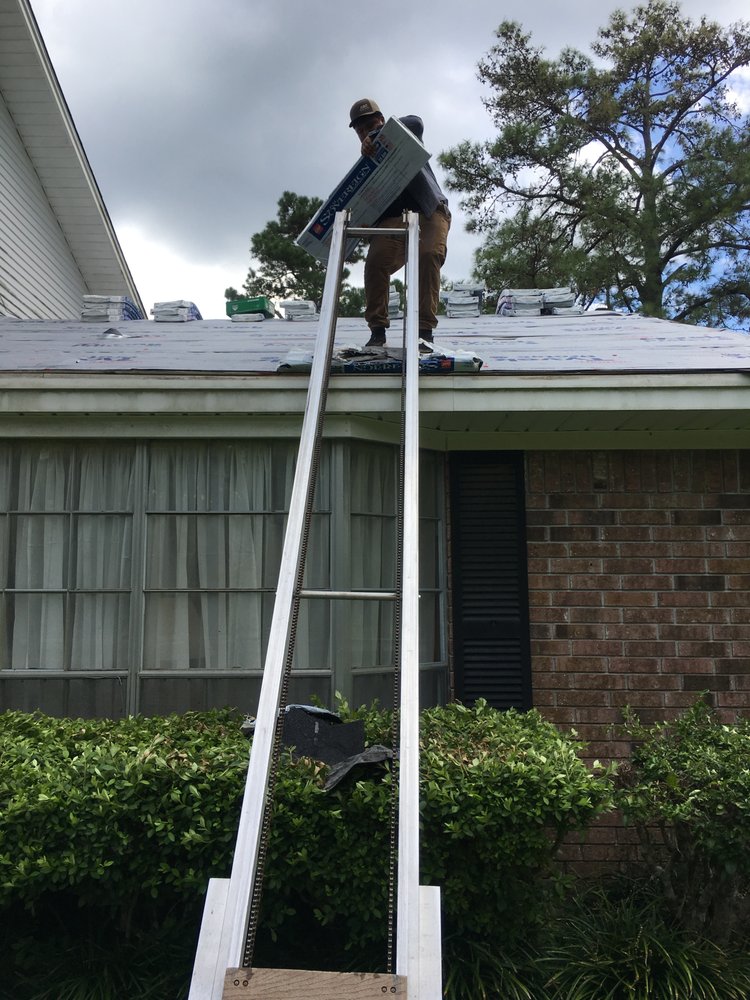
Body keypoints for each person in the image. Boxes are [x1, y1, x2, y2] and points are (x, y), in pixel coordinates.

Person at [348, 98, 451, 350]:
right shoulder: (366, 165)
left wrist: (379, 135)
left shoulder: (402, 135)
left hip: (428, 211)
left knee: (427, 255)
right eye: (360, 130)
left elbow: (416, 122)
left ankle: (424, 331)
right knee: (375, 263)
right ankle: (377, 331)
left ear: (381, 121)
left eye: (370, 125)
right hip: (393, 221)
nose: (365, 133)